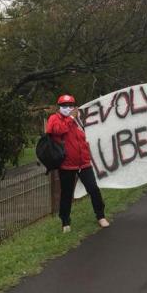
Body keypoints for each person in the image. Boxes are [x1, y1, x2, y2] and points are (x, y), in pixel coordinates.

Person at [46, 94, 109, 233]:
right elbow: (57, 130)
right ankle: (65, 222)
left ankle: (100, 215)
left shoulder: (78, 120)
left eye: (70, 105)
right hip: (67, 165)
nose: (67, 108)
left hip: (84, 163)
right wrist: (71, 118)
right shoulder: (54, 119)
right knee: (67, 194)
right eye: (64, 106)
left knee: (93, 189)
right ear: (59, 107)